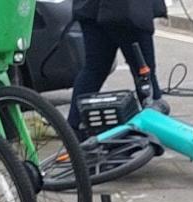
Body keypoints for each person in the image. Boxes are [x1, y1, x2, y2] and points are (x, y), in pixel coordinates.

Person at [68, 0, 170, 131]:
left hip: (92, 9)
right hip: (127, 11)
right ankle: (158, 127)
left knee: (95, 70)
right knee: (144, 72)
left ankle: (72, 128)